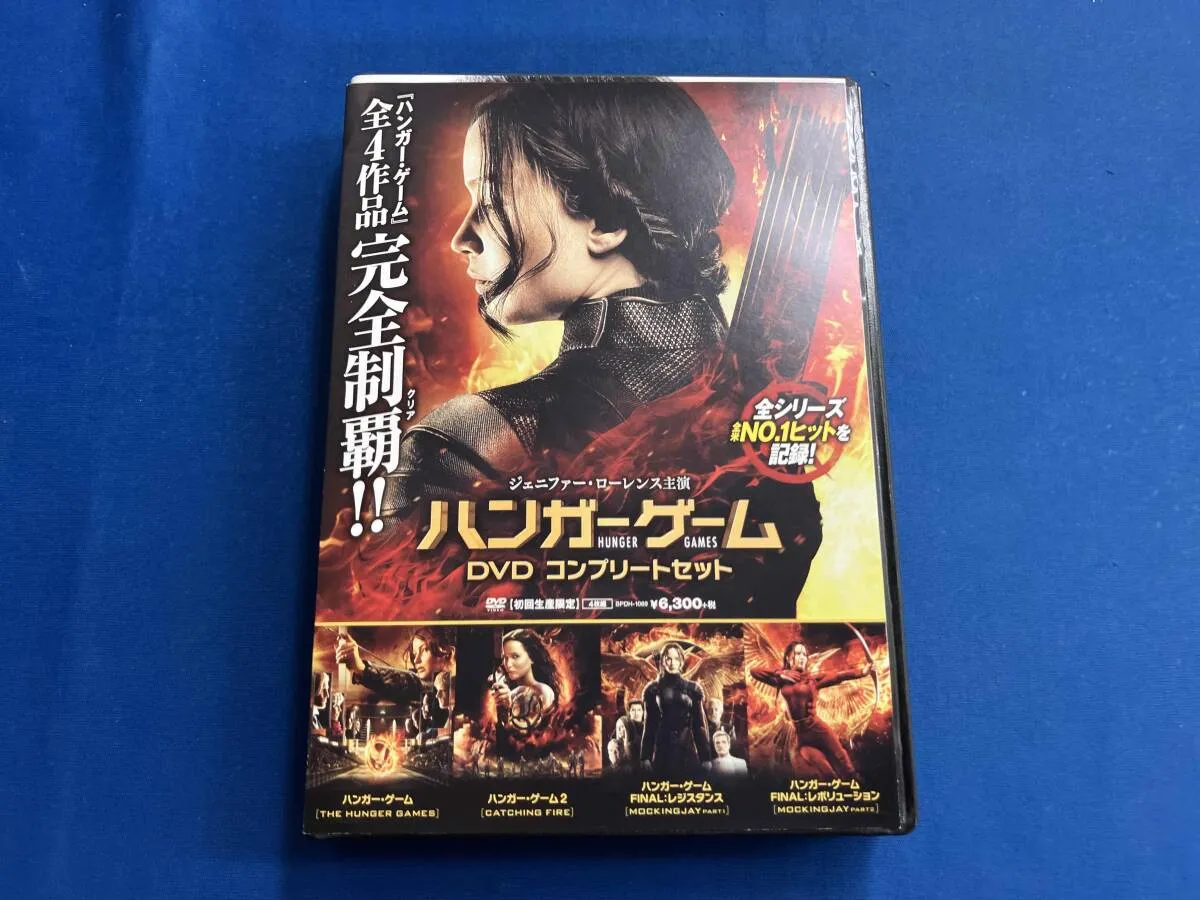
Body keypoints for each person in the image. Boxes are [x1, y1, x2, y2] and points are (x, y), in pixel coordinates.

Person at [384, 80, 735, 512]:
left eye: (491, 199)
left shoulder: (463, 448)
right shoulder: (765, 393)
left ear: (605, 218)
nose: (462, 239)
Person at [750, 641, 875, 779]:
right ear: (788, 657)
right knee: (820, 767)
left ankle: (857, 783)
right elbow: (754, 672)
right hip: (800, 735)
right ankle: (837, 786)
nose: (802, 657)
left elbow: (838, 676)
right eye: (798, 653)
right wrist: (780, 673)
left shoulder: (812, 680)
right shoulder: (781, 680)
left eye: (805, 654)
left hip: (817, 729)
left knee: (843, 761)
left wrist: (862, 672)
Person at [640, 642, 711, 776]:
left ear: (681, 661)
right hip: (662, 750)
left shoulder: (692, 689)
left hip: (687, 749)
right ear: (663, 661)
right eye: (668, 658)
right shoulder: (653, 689)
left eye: (676, 659)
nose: (672, 663)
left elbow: (699, 725)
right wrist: (645, 756)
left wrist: (706, 757)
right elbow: (649, 725)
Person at [489, 628, 560, 738]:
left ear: (531, 658)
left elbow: (527, 730)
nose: (508, 664)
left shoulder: (543, 691)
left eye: (515, 656)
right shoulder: (510, 691)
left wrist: (509, 706)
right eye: (505, 658)